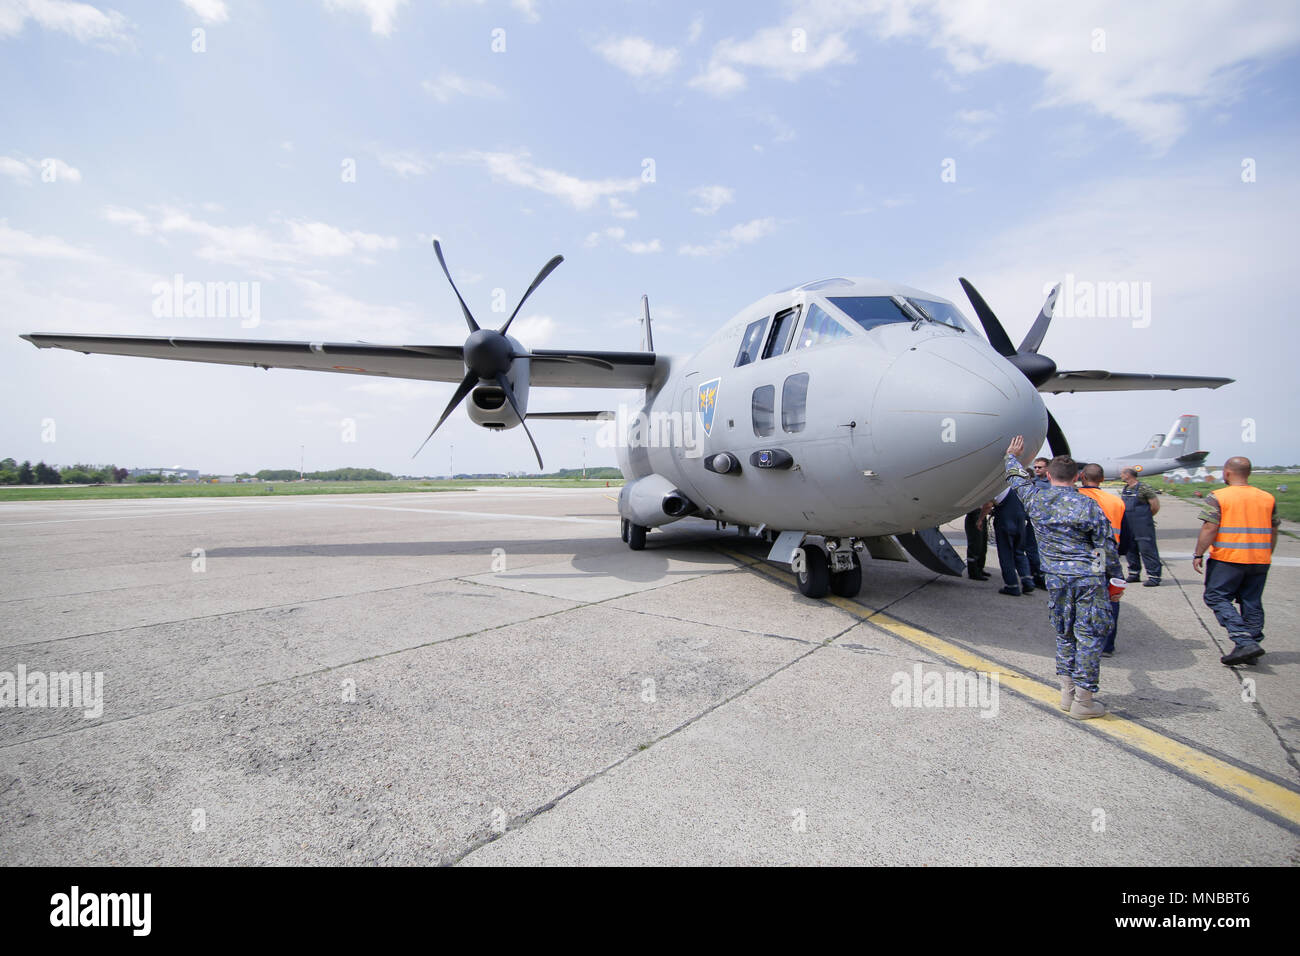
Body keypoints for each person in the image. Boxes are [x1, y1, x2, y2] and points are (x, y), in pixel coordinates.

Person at [1005, 437, 1120, 719]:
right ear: (1077, 477)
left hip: (1056, 579)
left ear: (1050, 475)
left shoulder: (1036, 500)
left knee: (1064, 634)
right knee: (1089, 637)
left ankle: (1066, 693)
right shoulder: (1088, 506)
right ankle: (1084, 700)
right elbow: (1105, 547)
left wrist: (1011, 456)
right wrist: (1113, 577)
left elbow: (1016, 479)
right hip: (1087, 580)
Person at [1192, 456, 1279, 666]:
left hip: (1228, 559)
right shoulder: (1267, 498)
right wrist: (1267, 553)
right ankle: (1253, 643)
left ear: (1227, 472)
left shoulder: (1219, 496)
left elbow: (1210, 527)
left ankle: (1243, 640)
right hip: (1259, 559)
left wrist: (1198, 553)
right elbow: (1274, 529)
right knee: (1251, 600)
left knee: (1216, 597)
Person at [1078, 463, 1130, 658]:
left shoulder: (1077, 497)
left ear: (1082, 476)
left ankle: (1083, 639)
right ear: (1102, 479)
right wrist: (1118, 553)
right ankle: (1107, 644)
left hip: (1086, 555)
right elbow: (1126, 534)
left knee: (1083, 596)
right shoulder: (1116, 501)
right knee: (1111, 597)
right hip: (1109, 554)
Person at [1120, 467, 1163, 586]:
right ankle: (1134, 574)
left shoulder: (1144, 487)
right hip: (1129, 525)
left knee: (1147, 549)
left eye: (1122, 474)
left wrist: (1146, 517)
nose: (1121, 476)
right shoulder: (1126, 488)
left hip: (1143, 524)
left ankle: (1154, 576)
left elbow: (1155, 505)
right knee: (1130, 549)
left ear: (1128, 475)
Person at [991, 485, 1034, 596]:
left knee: (1006, 554)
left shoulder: (999, 488)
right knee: (1019, 552)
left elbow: (988, 504)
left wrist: (980, 519)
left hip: (1005, 522)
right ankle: (1027, 580)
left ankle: (1012, 585)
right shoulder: (1022, 488)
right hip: (1020, 522)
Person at [1021, 458, 1051, 589]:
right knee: (1030, 549)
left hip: (1042, 523)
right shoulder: (1033, 483)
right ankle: (1035, 574)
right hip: (1032, 522)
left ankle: (1040, 576)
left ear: (1047, 469)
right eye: (1036, 467)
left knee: (1035, 550)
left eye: (1040, 467)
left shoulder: (1048, 485)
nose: (1037, 469)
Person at [964, 502, 993, 580]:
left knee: (982, 546)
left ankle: (979, 568)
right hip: (975, 514)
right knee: (975, 545)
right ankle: (973, 572)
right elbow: (989, 504)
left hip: (981, 514)